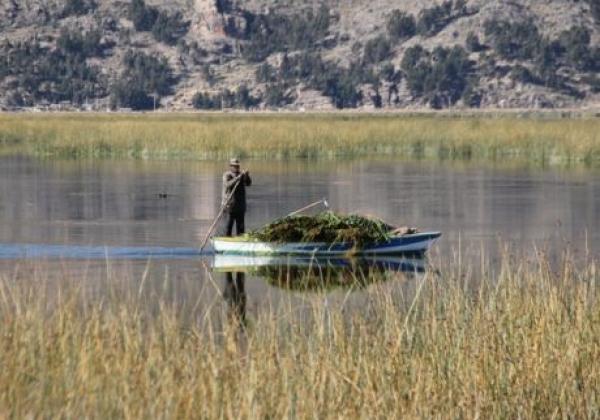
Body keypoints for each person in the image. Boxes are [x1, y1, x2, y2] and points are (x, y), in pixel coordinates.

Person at [222, 158, 252, 237]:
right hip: (229, 207)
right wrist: (237, 178)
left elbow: (248, 184)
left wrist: (247, 176)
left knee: (241, 229)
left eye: (237, 166)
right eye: (234, 166)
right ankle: (226, 242)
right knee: (228, 227)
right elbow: (228, 185)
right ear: (230, 166)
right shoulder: (227, 175)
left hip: (240, 207)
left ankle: (239, 242)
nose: (236, 168)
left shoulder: (241, 174)